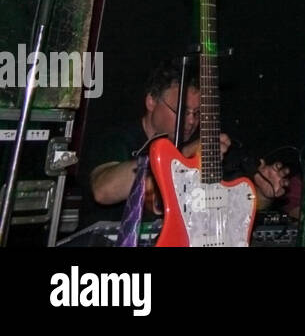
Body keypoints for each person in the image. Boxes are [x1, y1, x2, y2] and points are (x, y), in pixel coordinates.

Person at [79, 58, 289, 231]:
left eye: (197, 114)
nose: (190, 121)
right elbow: (103, 190)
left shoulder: (200, 150)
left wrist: (263, 193)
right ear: (151, 101)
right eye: (182, 111)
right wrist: (182, 156)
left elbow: (224, 208)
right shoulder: (117, 139)